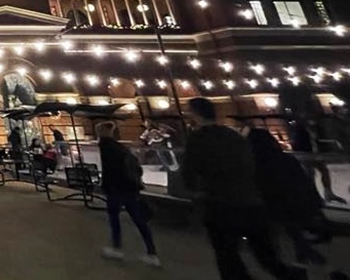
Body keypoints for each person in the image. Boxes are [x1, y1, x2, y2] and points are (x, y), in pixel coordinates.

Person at [183, 97, 307, 280]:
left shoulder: (198, 139)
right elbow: (251, 164)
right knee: (267, 257)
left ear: (195, 114)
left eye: (189, 111)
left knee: (227, 257)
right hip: (251, 202)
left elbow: (189, 173)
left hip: (221, 205)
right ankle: (293, 276)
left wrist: (195, 189)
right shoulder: (234, 135)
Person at [247, 129, 326, 266]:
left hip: (276, 201)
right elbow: (301, 179)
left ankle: (290, 256)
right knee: (291, 227)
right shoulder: (284, 158)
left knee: (283, 227)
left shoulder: (257, 162)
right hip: (293, 198)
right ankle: (303, 252)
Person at [97, 121, 159, 267]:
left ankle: (117, 248)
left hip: (115, 189)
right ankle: (152, 253)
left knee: (114, 219)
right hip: (130, 188)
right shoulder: (119, 147)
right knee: (139, 220)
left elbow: (109, 171)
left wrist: (105, 186)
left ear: (102, 132)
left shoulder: (106, 147)